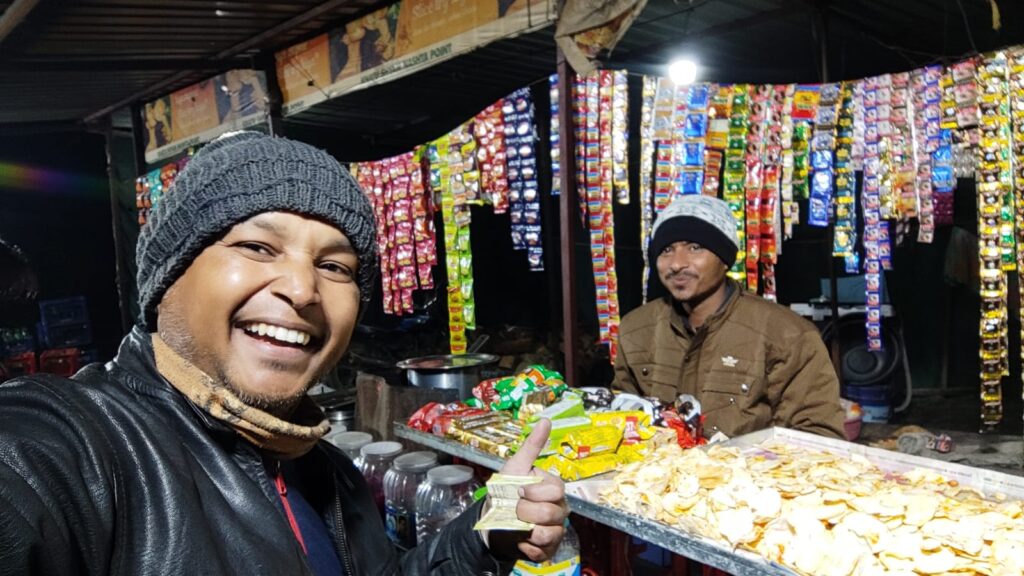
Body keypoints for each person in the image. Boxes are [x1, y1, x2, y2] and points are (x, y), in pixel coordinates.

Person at [0, 131, 568, 575]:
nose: (302, 289)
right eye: (255, 246)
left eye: (335, 267)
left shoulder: (329, 474)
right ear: (168, 278)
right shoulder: (68, 449)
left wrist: (480, 535)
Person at [613, 194, 846, 440]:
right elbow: (620, 416)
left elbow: (817, 437)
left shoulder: (786, 334)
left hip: (750, 476)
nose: (677, 264)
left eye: (695, 247)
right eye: (666, 250)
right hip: (656, 475)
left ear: (725, 259)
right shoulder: (637, 329)